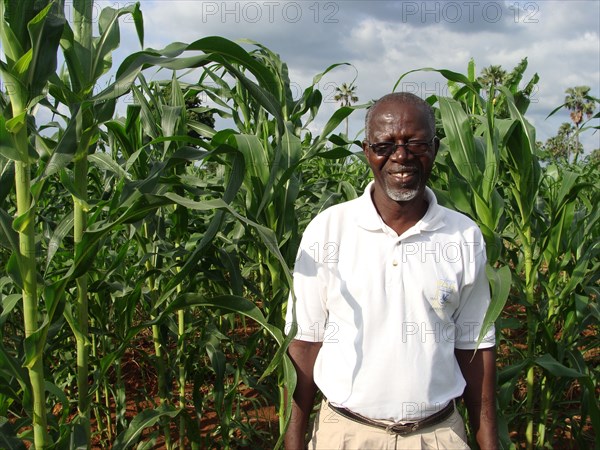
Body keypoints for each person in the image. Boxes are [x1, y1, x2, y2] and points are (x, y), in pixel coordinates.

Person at [284, 92, 498, 450]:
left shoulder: (463, 236)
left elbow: (475, 347)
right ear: (367, 150)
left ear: (436, 148)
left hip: (438, 435)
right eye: (385, 145)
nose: (401, 157)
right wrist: (293, 440)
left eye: (416, 143)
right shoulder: (328, 230)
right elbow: (305, 342)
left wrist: (489, 443)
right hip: (345, 434)